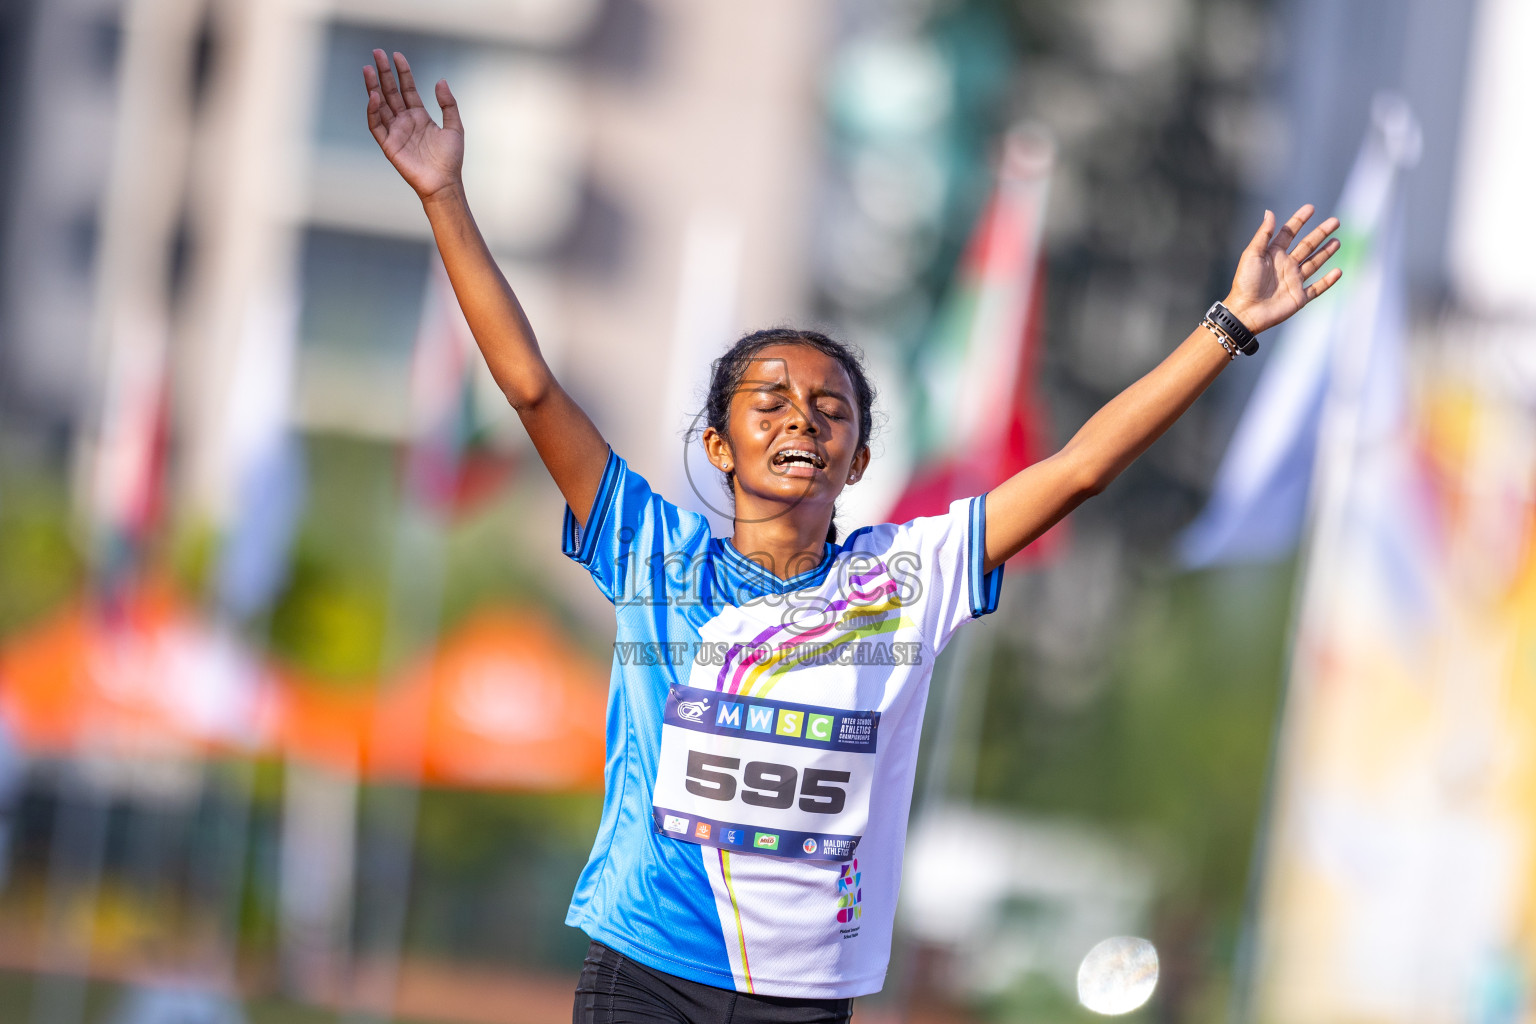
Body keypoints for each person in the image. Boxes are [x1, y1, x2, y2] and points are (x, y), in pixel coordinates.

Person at [362, 49, 1342, 1024]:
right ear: (718, 442)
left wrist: (1229, 325)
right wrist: (445, 194)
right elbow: (530, 383)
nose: (802, 422)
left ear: (858, 460)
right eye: (771, 403)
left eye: (831, 411)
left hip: (806, 998)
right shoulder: (650, 552)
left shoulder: (908, 576)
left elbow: (1080, 467)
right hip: (647, 969)